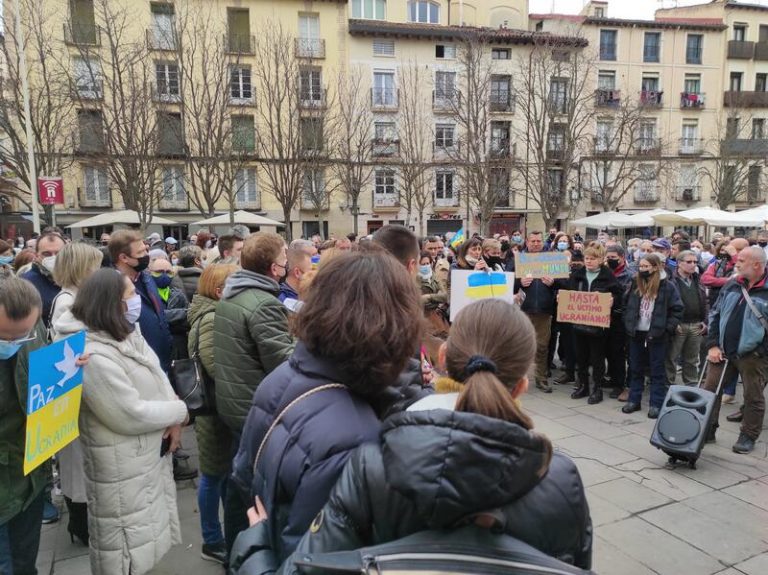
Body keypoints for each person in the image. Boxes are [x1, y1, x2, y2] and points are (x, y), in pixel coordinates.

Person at [230, 298, 593, 574]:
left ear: (443, 356)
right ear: (523, 386)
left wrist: (256, 545)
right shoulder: (561, 479)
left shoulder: (372, 465)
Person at [230, 250, 424, 562]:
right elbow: (323, 562)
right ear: (397, 323)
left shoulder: (284, 375)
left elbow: (242, 473)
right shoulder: (355, 437)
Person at [53, 269, 188, 575]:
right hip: (120, 467)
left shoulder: (124, 330)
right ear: (110, 303)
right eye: (130, 295)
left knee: (144, 543)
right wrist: (179, 412)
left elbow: (156, 373)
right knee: (125, 552)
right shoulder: (91, 353)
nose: (136, 300)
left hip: (142, 460)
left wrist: (173, 411)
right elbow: (128, 413)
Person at [48, 242, 103, 545]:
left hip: (77, 393)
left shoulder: (73, 298)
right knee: (78, 465)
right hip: (75, 394)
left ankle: (81, 522)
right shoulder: (68, 303)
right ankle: (81, 525)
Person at [187, 263, 239, 565]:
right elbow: (217, 366)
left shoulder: (213, 312)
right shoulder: (211, 317)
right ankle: (212, 540)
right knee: (212, 475)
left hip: (220, 408)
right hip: (215, 410)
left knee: (221, 474)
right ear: (219, 290)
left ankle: (224, 535)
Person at [0, 274, 49, 575]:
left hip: (30, 474)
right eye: (4, 337)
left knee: (25, 564)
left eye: (22, 336)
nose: (13, 344)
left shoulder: (36, 328)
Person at [703, 246, 768, 454]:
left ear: (756, 264)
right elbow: (715, 314)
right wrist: (712, 344)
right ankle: (707, 430)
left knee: (753, 396)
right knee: (710, 390)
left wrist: (760, 351)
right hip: (722, 351)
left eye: (741, 260)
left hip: (753, 356)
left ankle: (748, 435)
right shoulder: (732, 284)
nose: (736, 263)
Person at [622, 253, 683, 418]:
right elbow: (626, 304)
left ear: (655, 267)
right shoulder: (635, 282)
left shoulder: (668, 286)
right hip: (636, 333)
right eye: (640, 266)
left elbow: (677, 309)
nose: (642, 270)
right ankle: (634, 400)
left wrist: (667, 328)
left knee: (657, 370)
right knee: (635, 368)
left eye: (646, 267)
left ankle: (656, 403)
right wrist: (628, 323)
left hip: (657, 334)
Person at [109, 230, 173, 373]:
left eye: (146, 250)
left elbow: (158, 314)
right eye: (140, 253)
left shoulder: (146, 277)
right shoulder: (111, 287)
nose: (146, 256)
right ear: (124, 257)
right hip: (137, 366)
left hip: (162, 361)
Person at [567, 243, 623, 404]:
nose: (589, 261)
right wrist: (562, 298)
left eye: (593, 258)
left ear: (600, 260)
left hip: (599, 326)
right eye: (587, 258)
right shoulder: (577, 275)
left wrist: (612, 300)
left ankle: (597, 388)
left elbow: (619, 296)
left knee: (597, 357)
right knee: (581, 356)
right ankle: (583, 385)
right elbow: (568, 292)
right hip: (578, 323)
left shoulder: (608, 276)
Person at [516, 231, 559, 393]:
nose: (535, 243)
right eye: (532, 241)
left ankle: (541, 378)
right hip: (522, 311)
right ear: (527, 242)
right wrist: (519, 282)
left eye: (538, 241)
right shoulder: (519, 259)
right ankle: (518, 378)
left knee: (541, 347)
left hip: (543, 311)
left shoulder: (551, 259)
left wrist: (553, 282)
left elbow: (564, 282)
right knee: (521, 346)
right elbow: (508, 282)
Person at [665, 250, 708, 387]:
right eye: (689, 262)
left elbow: (705, 302)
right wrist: (673, 322)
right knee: (671, 358)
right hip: (679, 325)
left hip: (696, 324)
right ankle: (668, 386)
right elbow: (666, 303)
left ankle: (691, 387)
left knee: (692, 359)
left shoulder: (697, 279)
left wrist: (705, 321)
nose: (693, 265)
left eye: (695, 262)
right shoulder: (670, 280)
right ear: (679, 263)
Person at [20, 231, 65, 329]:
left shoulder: (73, 278)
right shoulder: (25, 284)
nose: (54, 257)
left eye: (59, 253)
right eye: (47, 254)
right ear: (36, 256)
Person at [148, 255, 189, 361]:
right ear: (149, 272)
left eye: (169, 272)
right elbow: (152, 319)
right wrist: (180, 315)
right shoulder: (146, 295)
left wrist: (164, 318)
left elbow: (189, 319)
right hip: (154, 351)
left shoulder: (178, 295)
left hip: (179, 353)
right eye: (159, 272)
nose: (164, 275)